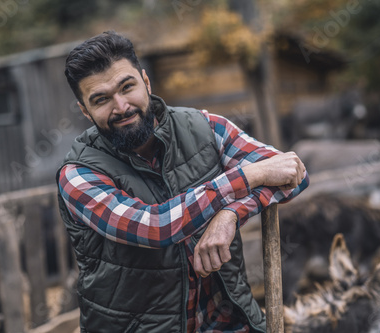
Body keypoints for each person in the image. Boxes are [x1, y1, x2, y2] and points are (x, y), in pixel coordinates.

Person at [57, 30, 309, 333]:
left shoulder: (204, 128)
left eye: (127, 87)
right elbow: (156, 227)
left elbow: (293, 173)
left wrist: (229, 214)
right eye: (101, 99)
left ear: (146, 82)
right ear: (85, 111)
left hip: (227, 324)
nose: (121, 106)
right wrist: (249, 176)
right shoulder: (78, 175)